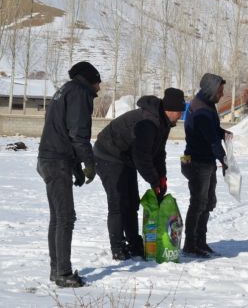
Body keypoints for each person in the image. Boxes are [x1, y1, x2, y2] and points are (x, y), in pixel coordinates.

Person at [93, 88, 185, 260]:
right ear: (171, 110)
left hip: (125, 157)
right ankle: (118, 247)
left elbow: (158, 153)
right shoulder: (149, 123)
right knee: (118, 203)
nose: (181, 116)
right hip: (108, 154)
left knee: (132, 202)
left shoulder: (164, 123)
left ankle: (134, 243)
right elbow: (141, 157)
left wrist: (161, 178)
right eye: (180, 112)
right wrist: (154, 181)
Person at [37, 61, 101, 287]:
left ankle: (57, 270)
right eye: (98, 83)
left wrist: (76, 168)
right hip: (56, 161)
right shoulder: (79, 93)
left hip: (49, 159)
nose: (99, 89)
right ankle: (63, 273)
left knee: (58, 217)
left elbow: (62, 131)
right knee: (65, 217)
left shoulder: (64, 90)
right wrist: (89, 163)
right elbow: (78, 133)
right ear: (90, 80)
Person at [181, 73, 231, 258]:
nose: (222, 94)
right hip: (198, 162)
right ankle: (191, 244)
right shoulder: (201, 109)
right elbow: (211, 141)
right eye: (220, 90)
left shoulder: (206, 105)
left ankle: (200, 241)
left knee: (207, 202)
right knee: (198, 203)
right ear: (211, 90)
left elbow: (210, 130)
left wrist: (221, 131)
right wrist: (225, 161)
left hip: (205, 161)